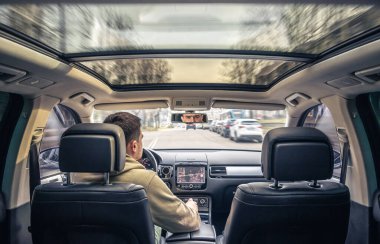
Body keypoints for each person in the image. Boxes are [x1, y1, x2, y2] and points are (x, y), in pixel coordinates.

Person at [104, 112, 201, 241]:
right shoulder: (144, 180)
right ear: (134, 146)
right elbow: (188, 222)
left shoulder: (75, 177)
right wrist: (191, 206)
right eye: (141, 138)